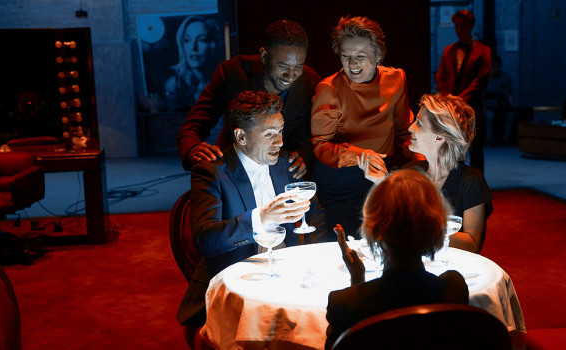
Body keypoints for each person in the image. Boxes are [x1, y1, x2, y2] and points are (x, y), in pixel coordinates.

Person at [176, 90, 326, 328]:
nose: (280, 142)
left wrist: (311, 263)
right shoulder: (212, 173)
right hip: (237, 286)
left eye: (280, 131)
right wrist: (261, 218)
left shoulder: (287, 164)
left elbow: (316, 217)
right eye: (269, 134)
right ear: (241, 136)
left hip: (291, 277)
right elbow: (206, 239)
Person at [325, 169, 469, 349]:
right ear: (435, 227)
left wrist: (357, 281)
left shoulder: (344, 302)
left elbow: (352, 338)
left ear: (373, 229)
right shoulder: (453, 289)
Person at [310, 16, 417, 238]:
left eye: (361, 56)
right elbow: (321, 146)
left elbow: (404, 131)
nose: (352, 64)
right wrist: (363, 156)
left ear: (379, 55)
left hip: (378, 175)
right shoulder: (328, 89)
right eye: (346, 57)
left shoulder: (396, 79)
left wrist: (427, 163)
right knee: (346, 249)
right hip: (340, 181)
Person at [177, 19, 321, 173]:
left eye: (298, 67)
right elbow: (192, 127)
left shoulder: (310, 82)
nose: (291, 76)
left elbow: (306, 139)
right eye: (283, 66)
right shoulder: (232, 73)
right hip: (232, 170)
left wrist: (302, 158)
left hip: (281, 172)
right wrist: (193, 149)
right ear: (264, 56)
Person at [359, 93, 493, 253]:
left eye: (419, 123)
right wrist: (383, 183)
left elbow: (471, 245)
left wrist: (420, 223)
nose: (410, 128)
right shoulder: (410, 171)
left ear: (439, 137)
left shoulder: (471, 181)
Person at [436, 9, 491, 172]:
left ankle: (478, 187)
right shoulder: (449, 50)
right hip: (452, 108)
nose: (459, 30)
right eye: (457, 26)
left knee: (476, 150)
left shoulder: (483, 50)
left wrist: (460, 98)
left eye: (462, 26)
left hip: (473, 108)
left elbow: (481, 80)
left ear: (471, 26)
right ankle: (455, 186)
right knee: (453, 149)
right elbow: (440, 77)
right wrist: (448, 97)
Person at [165, 16, 219, 112]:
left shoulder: (225, 82)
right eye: (187, 40)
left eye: (202, 39)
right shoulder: (175, 85)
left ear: (213, 44)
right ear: (182, 45)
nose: (193, 48)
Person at [484, 56, 515, 145]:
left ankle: (507, 139)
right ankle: (490, 140)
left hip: (502, 104)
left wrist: (510, 105)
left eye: (496, 66)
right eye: (492, 66)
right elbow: (482, 95)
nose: (494, 69)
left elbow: (508, 94)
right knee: (490, 116)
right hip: (489, 105)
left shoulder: (505, 78)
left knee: (510, 115)